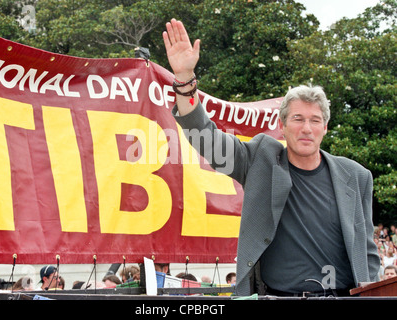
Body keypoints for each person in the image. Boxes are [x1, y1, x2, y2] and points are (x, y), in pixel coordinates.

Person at [162, 18, 380, 297]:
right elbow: (206, 138)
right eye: (298, 118)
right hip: (276, 296)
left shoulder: (357, 176)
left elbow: (367, 251)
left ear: (325, 128)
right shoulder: (260, 159)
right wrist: (183, 79)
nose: (306, 128)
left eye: (315, 120)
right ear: (283, 124)